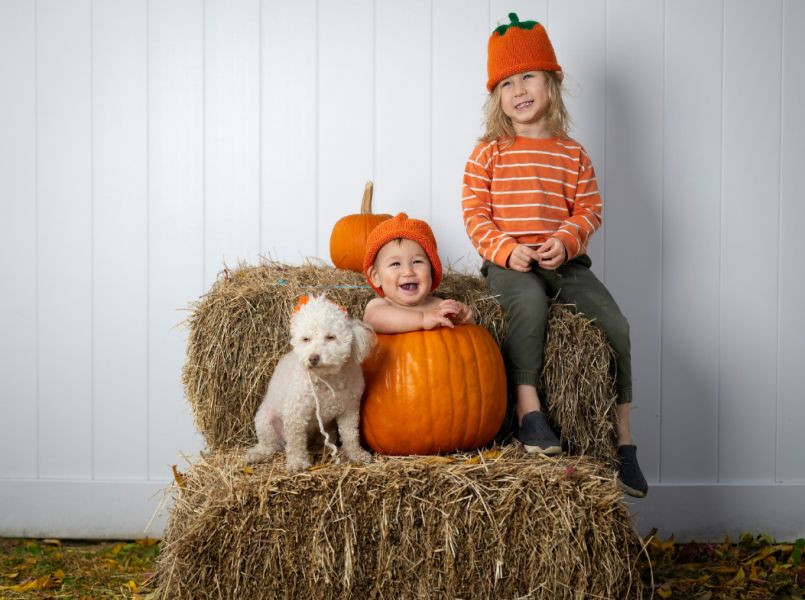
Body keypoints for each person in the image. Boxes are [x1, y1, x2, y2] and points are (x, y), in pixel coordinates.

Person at [461, 13, 648, 497]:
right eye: (506, 83)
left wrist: (564, 241)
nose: (518, 90)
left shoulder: (572, 153)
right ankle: (529, 411)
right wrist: (507, 250)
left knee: (617, 325)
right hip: (510, 263)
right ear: (496, 96)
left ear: (552, 82)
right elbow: (475, 214)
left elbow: (589, 209)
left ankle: (624, 439)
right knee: (528, 304)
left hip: (563, 261)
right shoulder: (489, 153)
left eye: (528, 77)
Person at [363, 212, 474, 333]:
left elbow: (467, 338)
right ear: (376, 276)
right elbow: (372, 319)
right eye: (395, 264)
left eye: (417, 262)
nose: (408, 271)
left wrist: (463, 317)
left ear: (431, 270)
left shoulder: (438, 305)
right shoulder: (380, 306)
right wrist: (422, 319)